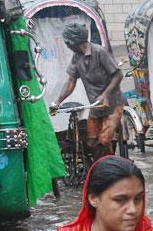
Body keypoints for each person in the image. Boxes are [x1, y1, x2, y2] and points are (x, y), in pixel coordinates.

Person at [50, 23, 126, 161]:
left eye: (67, 42)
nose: (67, 45)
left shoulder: (99, 52)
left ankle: (108, 169)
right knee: (91, 141)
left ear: (73, 42)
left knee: (103, 140)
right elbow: (71, 82)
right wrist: (58, 101)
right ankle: (97, 168)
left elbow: (118, 75)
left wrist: (105, 94)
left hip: (113, 104)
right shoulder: (76, 57)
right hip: (95, 106)